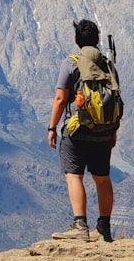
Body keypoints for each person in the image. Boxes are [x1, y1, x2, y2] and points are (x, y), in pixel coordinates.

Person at [47, 19, 119, 242]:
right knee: (102, 178)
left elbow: (60, 99)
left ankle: (80, 225)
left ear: (76, 41)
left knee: (74, 176)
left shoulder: (71, 64)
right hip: (105, 131)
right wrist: (113, 130)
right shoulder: (108, 64)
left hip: (77, 130)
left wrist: (52, 127)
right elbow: (115, 99)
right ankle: (104, 227)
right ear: (98, 40)